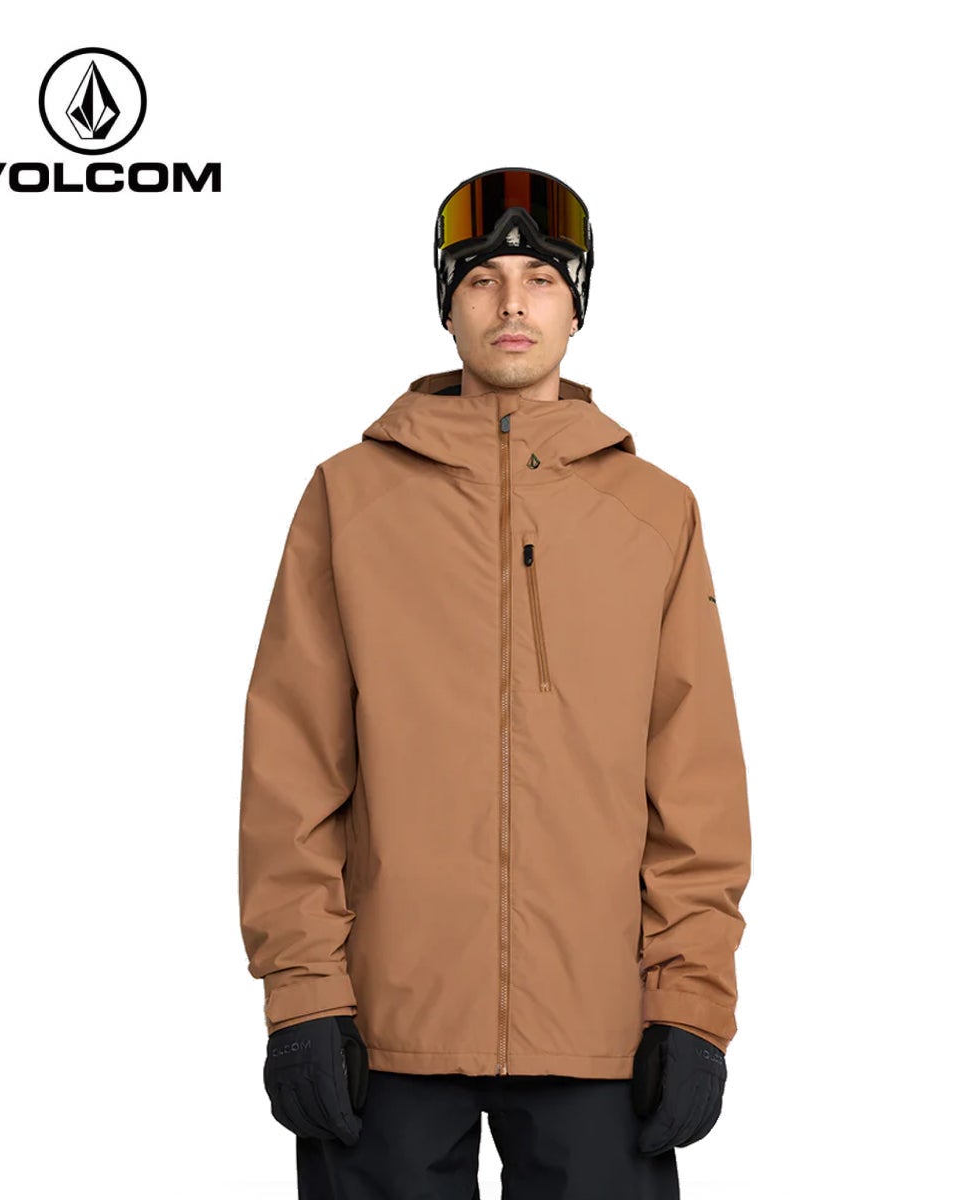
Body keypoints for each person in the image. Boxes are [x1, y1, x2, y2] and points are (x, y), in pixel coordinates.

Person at [238, 166, 752, 1199]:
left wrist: (692, 1005)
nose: (512, 303)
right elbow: (293, 766)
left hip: (598, 1027)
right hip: (384, 1025)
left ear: (577, 305)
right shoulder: (350, 497)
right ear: (447, 304)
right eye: (481, 278)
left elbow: (694, 783)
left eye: (542, 278)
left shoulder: (657, 513)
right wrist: (304, 996)